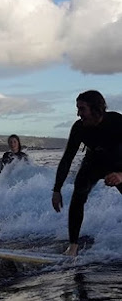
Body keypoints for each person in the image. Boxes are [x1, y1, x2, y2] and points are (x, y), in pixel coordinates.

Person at [51, 90, 122, 256]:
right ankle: (73, 247)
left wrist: (120, 175)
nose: (78, 114)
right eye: (77, 109)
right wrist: (56, 189)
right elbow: (67, 159)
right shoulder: (79, 128)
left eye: (82, 109)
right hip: (94, 163)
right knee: (78, 196)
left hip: (119, 164)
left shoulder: (117, 122)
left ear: (96, 109)